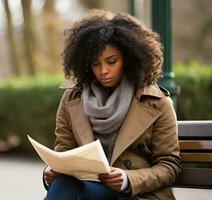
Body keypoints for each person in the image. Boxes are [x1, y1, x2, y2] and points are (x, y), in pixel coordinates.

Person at [43, 10, 181, 200]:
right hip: (88, 188)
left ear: (128, 58)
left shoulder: (157, 103)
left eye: (111, 61)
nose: (103, 71)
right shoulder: (72, 100)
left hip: (136, 194)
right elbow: (64, 153)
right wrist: (51, 171)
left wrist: (127, 180)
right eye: (95, 64)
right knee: (62, 183)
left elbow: (169, 166)